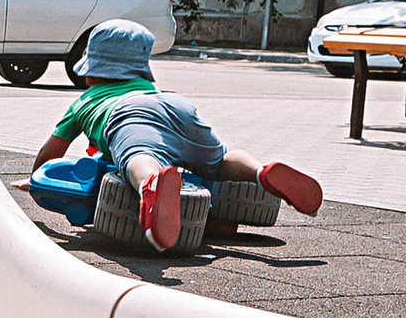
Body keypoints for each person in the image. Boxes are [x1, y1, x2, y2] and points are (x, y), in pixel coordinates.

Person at [41, 17, 323, 252]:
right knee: (220, 161)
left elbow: (51, 154)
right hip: (176, 105)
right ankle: (261, 172)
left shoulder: (85, 101)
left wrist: (35, 178)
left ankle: (150, 185)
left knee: (139, 156)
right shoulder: (146, 85)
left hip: (127, 113)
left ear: (91, 71)